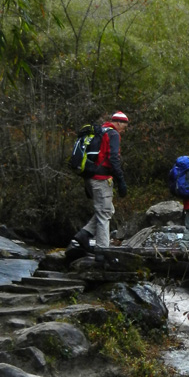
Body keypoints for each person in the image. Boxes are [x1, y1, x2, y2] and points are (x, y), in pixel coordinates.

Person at [72, 110, 129, 263]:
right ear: (117, 122)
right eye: (124, 124)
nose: (125, 128)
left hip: (90, 178)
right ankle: (102, 252)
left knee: (108, 209)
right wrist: (121, 181)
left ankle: (84, 234)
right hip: (101, 179)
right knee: (104, 214)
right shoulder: (113, 134)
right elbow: (113, 159)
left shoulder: (101, 131)